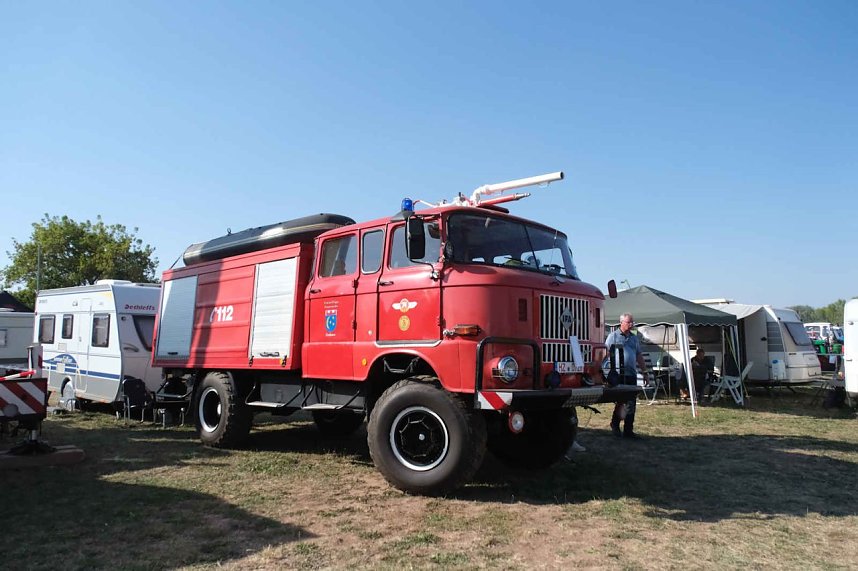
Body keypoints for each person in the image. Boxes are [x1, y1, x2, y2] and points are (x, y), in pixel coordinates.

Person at [605, 313, 646, 439]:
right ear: (621, 322)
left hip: (631, 375)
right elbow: (605, 353)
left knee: (631, 403)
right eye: (629, 322)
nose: (631, 324)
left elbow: (639, 355)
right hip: (618, 375)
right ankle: (615, 424)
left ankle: (628, 430)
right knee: (621, 402)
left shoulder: (634, 338)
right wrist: (599, 371)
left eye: (632, 322)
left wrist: (645, 372)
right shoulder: (613, 336)